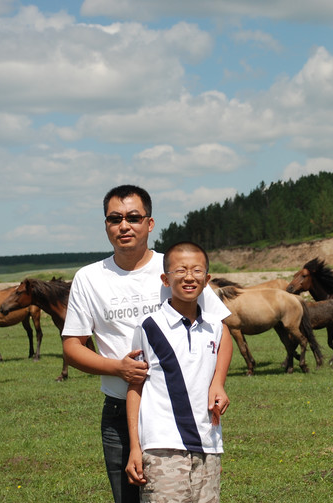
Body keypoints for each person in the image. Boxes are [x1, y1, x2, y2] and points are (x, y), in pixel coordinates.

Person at [62, 185, 232, 503]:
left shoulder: (176, 267)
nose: (124, 225)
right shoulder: (89, 278)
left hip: (180, 411)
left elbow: (221, 333)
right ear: (106, 225)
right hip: (121, 411)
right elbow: (72, 347)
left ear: (149, 224)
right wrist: (119, 368)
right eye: (115, 219)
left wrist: (218, 382)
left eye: (133, 217)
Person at [125, 241, 229, 502]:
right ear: (165, 279)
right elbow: (135, 387)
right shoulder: (149, 328)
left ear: (206, 280)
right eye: (180, 271)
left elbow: (226, 335)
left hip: (208, 444)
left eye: (196, 271)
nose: (189, 277)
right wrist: (135, 448)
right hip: (162, 449)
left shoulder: (214, 327)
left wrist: (219, 383)